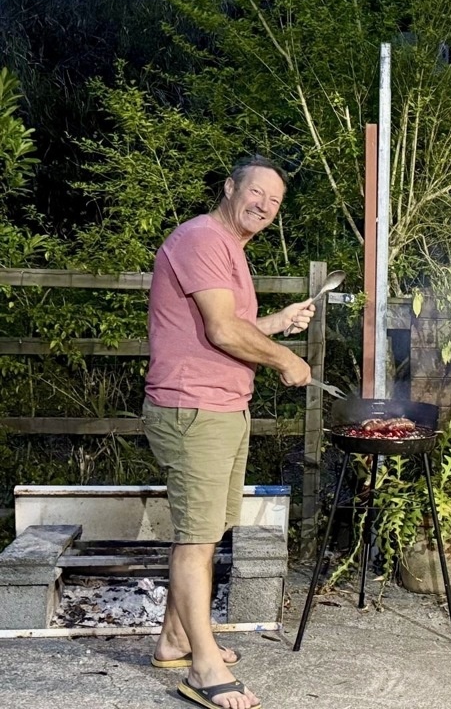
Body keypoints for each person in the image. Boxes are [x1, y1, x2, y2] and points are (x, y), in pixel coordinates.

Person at [142, 156, 314, 709]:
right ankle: (203, 666)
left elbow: (227, 328)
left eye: (275, 201)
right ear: (229, 187)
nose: (264, 205)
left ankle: (174, 638)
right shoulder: (201, 238)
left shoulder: (229, 249)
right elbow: (220, 330)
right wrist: (284, 358)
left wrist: (277, 322)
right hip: (193, 410)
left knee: (209, 530)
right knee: (195, 541)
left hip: (222, 407)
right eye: (256, 192)